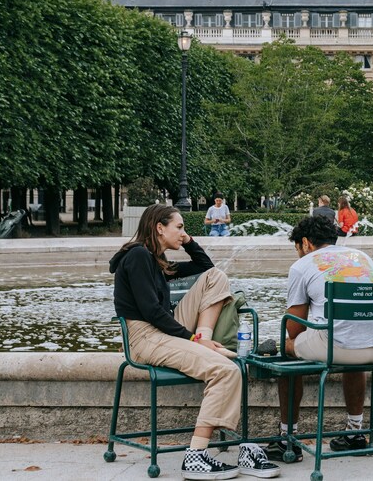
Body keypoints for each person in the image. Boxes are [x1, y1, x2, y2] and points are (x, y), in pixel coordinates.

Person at [110, 204, 279, 480]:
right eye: (179, 227)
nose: (183, 232)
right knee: (225, 369)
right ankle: (196, 456)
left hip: (162, 329)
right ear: (159, 228)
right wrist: (190, 339)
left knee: (217, 277)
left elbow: (205, 267)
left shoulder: (156, 258)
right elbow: (150, 311)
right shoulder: (139, 256)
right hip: (146, 335)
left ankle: (206, 339)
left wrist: (187, 240)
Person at [266, 216, 373, 461]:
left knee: (288, 350)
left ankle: (288, 438)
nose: (298, 253)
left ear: (306, 243)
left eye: (298, 247)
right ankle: (355, 432)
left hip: (342, 347)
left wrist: (293, 337)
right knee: (349, 335)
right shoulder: (362, 257)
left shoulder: (302, 265)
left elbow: (294, 329)